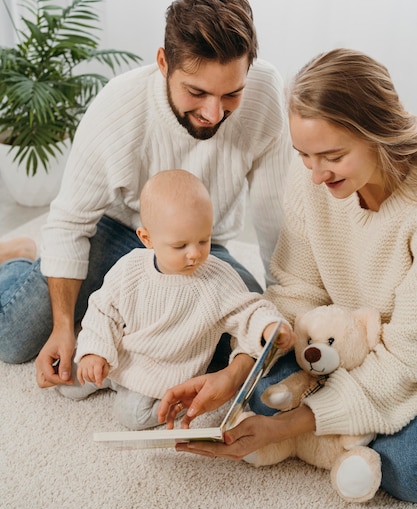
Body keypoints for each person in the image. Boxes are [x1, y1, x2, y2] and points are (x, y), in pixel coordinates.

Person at [0, 0, 293, 383]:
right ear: (163, 63)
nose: (213, 113)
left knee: (250, 346)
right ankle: (16, 257)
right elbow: (70, 223)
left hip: (204, 248)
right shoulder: (117, 108)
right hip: (118, 229)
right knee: (14, 340)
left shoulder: (264, 93)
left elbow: (274, 215)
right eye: (197, 92)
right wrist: (65, 326)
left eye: (231, 95)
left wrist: (283, 302)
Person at [158, 49, 417, 503]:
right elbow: (294, 292)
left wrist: (288, 425)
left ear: (378, 134)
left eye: (332, 156)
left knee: (410, 469)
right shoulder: (312, 182)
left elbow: (404, 363)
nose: (314, 175)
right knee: (257, 399)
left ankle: (333, 433)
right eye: (303, 156)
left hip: (404, 364)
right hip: (337, 354)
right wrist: (237, 373)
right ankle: (343, 433)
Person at [57, 170, 296, 430]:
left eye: (203, 240)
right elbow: (104, 309)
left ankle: (176, 394)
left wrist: (269, 327)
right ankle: (108, 372)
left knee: (132, 416)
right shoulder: (130, 268)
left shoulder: (217, 279)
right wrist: (94, 352)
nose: (194, 254)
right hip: (121, 352)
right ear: (147, 239)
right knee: (67, 380)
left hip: (164, 371)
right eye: (180, 246)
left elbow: (250, 310)